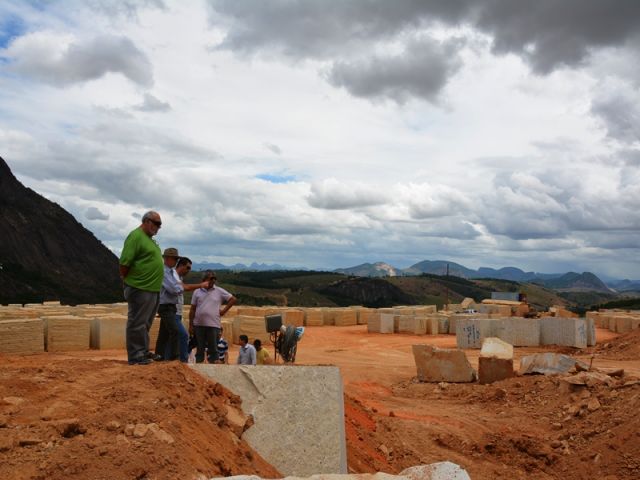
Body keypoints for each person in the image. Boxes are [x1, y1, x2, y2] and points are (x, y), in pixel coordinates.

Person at [119, 210, 164, 365]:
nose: (158, 228)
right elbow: (124, 263)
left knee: (145, 322)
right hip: (140, 287)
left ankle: (143, 351)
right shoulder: (135, 236)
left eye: (160, 225)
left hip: (152, 289)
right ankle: (136, 355)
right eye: (156, 224)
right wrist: (129, 282)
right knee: (137, 322)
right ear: (146, 221)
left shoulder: (149, 240)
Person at [155, 251, 208, 361]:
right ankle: (178, 360)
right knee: (181, 334)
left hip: (173, 309)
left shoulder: (173, 275)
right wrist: (200, 285)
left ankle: (162, 358)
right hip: (168, 307)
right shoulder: (171, 274)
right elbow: (176, 289)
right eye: (187, 267)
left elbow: (180, 288)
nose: (188, 270)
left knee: (165, 336)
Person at [189, 270, 236, 364]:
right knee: (200, 347)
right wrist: (191, 325)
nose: (213, 280)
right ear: (204, 279)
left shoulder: (219, 291)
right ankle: (199, 366)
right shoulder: (197, 292)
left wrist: (223, 311)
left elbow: (233, 299)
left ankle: (214, 368)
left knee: (213, 348)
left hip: (213, 324)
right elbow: (193, 309)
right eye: (211, 278)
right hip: (199, 324)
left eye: (215, 278)